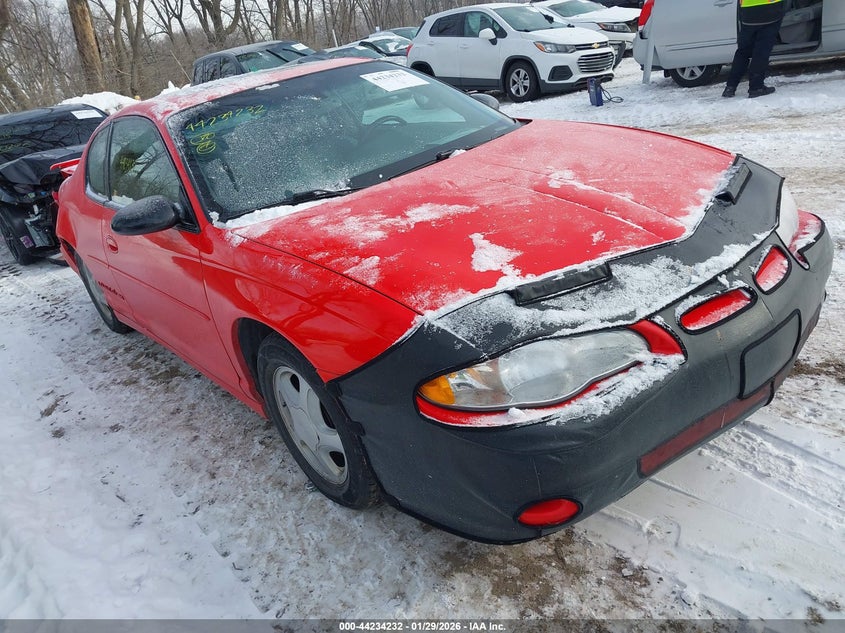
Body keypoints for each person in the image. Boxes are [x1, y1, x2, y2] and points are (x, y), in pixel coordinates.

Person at [722, 0, 786, 98]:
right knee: (761, 52)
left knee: (743, 52)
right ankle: (756, 87)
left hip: (748, 14)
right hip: (770, 12)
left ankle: (730, 87)